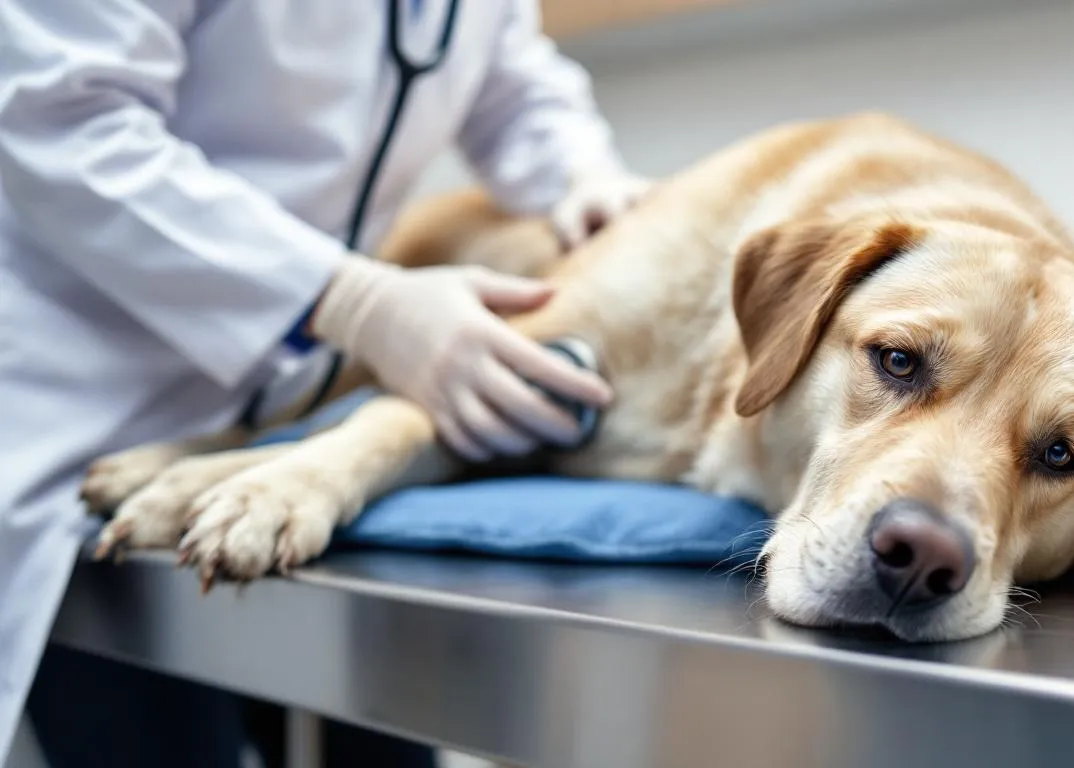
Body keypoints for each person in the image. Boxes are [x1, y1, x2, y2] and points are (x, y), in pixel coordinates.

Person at [0, 0, 647, 764]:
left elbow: (514, 86)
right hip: (80, 412)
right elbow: (62, 116)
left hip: (287, 420)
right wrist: (346, 299)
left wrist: (584, 176)